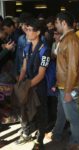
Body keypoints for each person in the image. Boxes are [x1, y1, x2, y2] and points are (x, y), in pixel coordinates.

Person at [47, 12, 79, 150]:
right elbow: (63, 65)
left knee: (72, 116)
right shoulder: (66, 39)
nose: (55, 26)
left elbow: (72, 69)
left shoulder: (71, 41)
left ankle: (75, 141)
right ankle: (57, 133)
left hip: (69, 86)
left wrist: (68, 90)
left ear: (63, 23)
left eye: (56, 23)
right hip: (63, 85)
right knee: (61, 112)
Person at [18, 18, 50, 150]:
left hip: (39, 86)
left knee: (41, 113)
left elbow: (41, 74)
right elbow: (24, 68)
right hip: (29, 84)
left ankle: (40, 140)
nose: (27, 32)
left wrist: (27, 85)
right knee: (28, 111)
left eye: (30, 30)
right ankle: (28, 133)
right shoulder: (27, 47)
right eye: (27, 29)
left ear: (38, 32)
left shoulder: (44, 50)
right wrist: (20, 83)